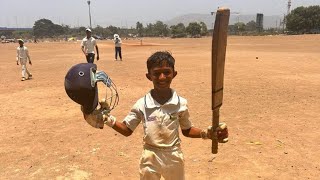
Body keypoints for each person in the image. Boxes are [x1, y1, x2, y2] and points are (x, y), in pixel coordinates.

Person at [81, 51, 228, 179]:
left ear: (174, 74)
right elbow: (127, 130)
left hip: (173, 155)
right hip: (150, 155)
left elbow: (187, 130)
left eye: (167, 72)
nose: (162, 77)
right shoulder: (141, 104)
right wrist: (107, 119)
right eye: (156, 73)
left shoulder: (181, 103)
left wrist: (207, 133)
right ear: (148, 76)